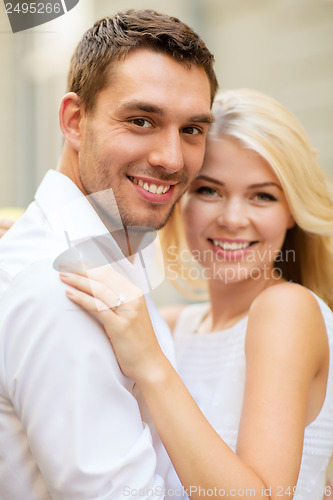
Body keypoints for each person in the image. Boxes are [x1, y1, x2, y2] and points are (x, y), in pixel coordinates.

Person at [61, 89, 333, 500]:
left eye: (263, 195)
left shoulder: (286, 310)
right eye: (209, 190)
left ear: (291, 209)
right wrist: (37, 247)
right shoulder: (173, 325)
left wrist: (152, 365)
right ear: (180, 197)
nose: (233, 219)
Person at [0, 10, 217, 499]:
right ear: (75, 121)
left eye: (192, 130)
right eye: (142, 120)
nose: (172, 159)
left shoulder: (107, 253)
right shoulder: (59, 289)